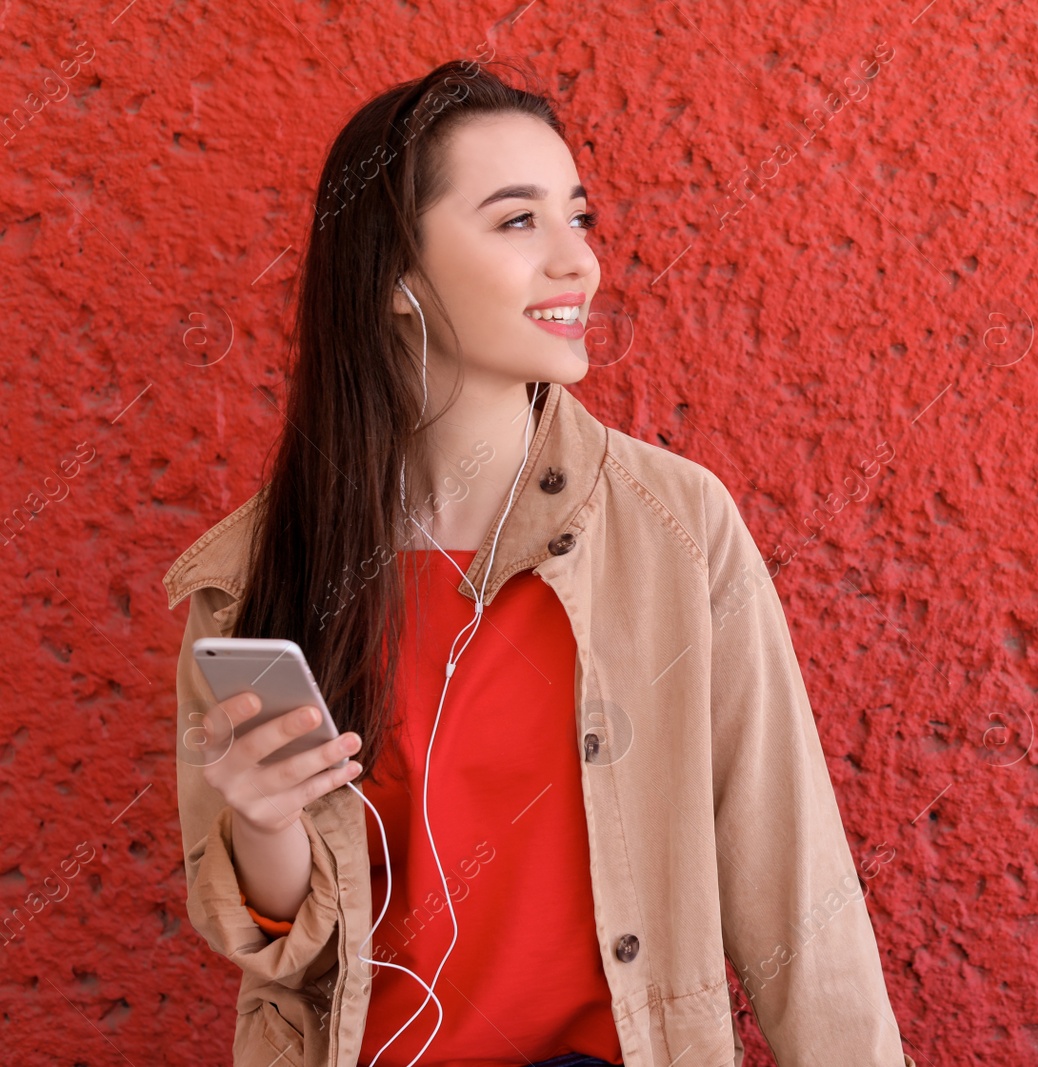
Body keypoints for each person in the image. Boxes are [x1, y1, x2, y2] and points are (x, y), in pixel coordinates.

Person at [163, 57, 915, 1067]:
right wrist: (260, 821)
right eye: (519, 221)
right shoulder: (254, 574)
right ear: (395, 274)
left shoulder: (674, 524)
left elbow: (797, 887)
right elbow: (285, 953)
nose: (579, 263)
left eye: (579, 218)